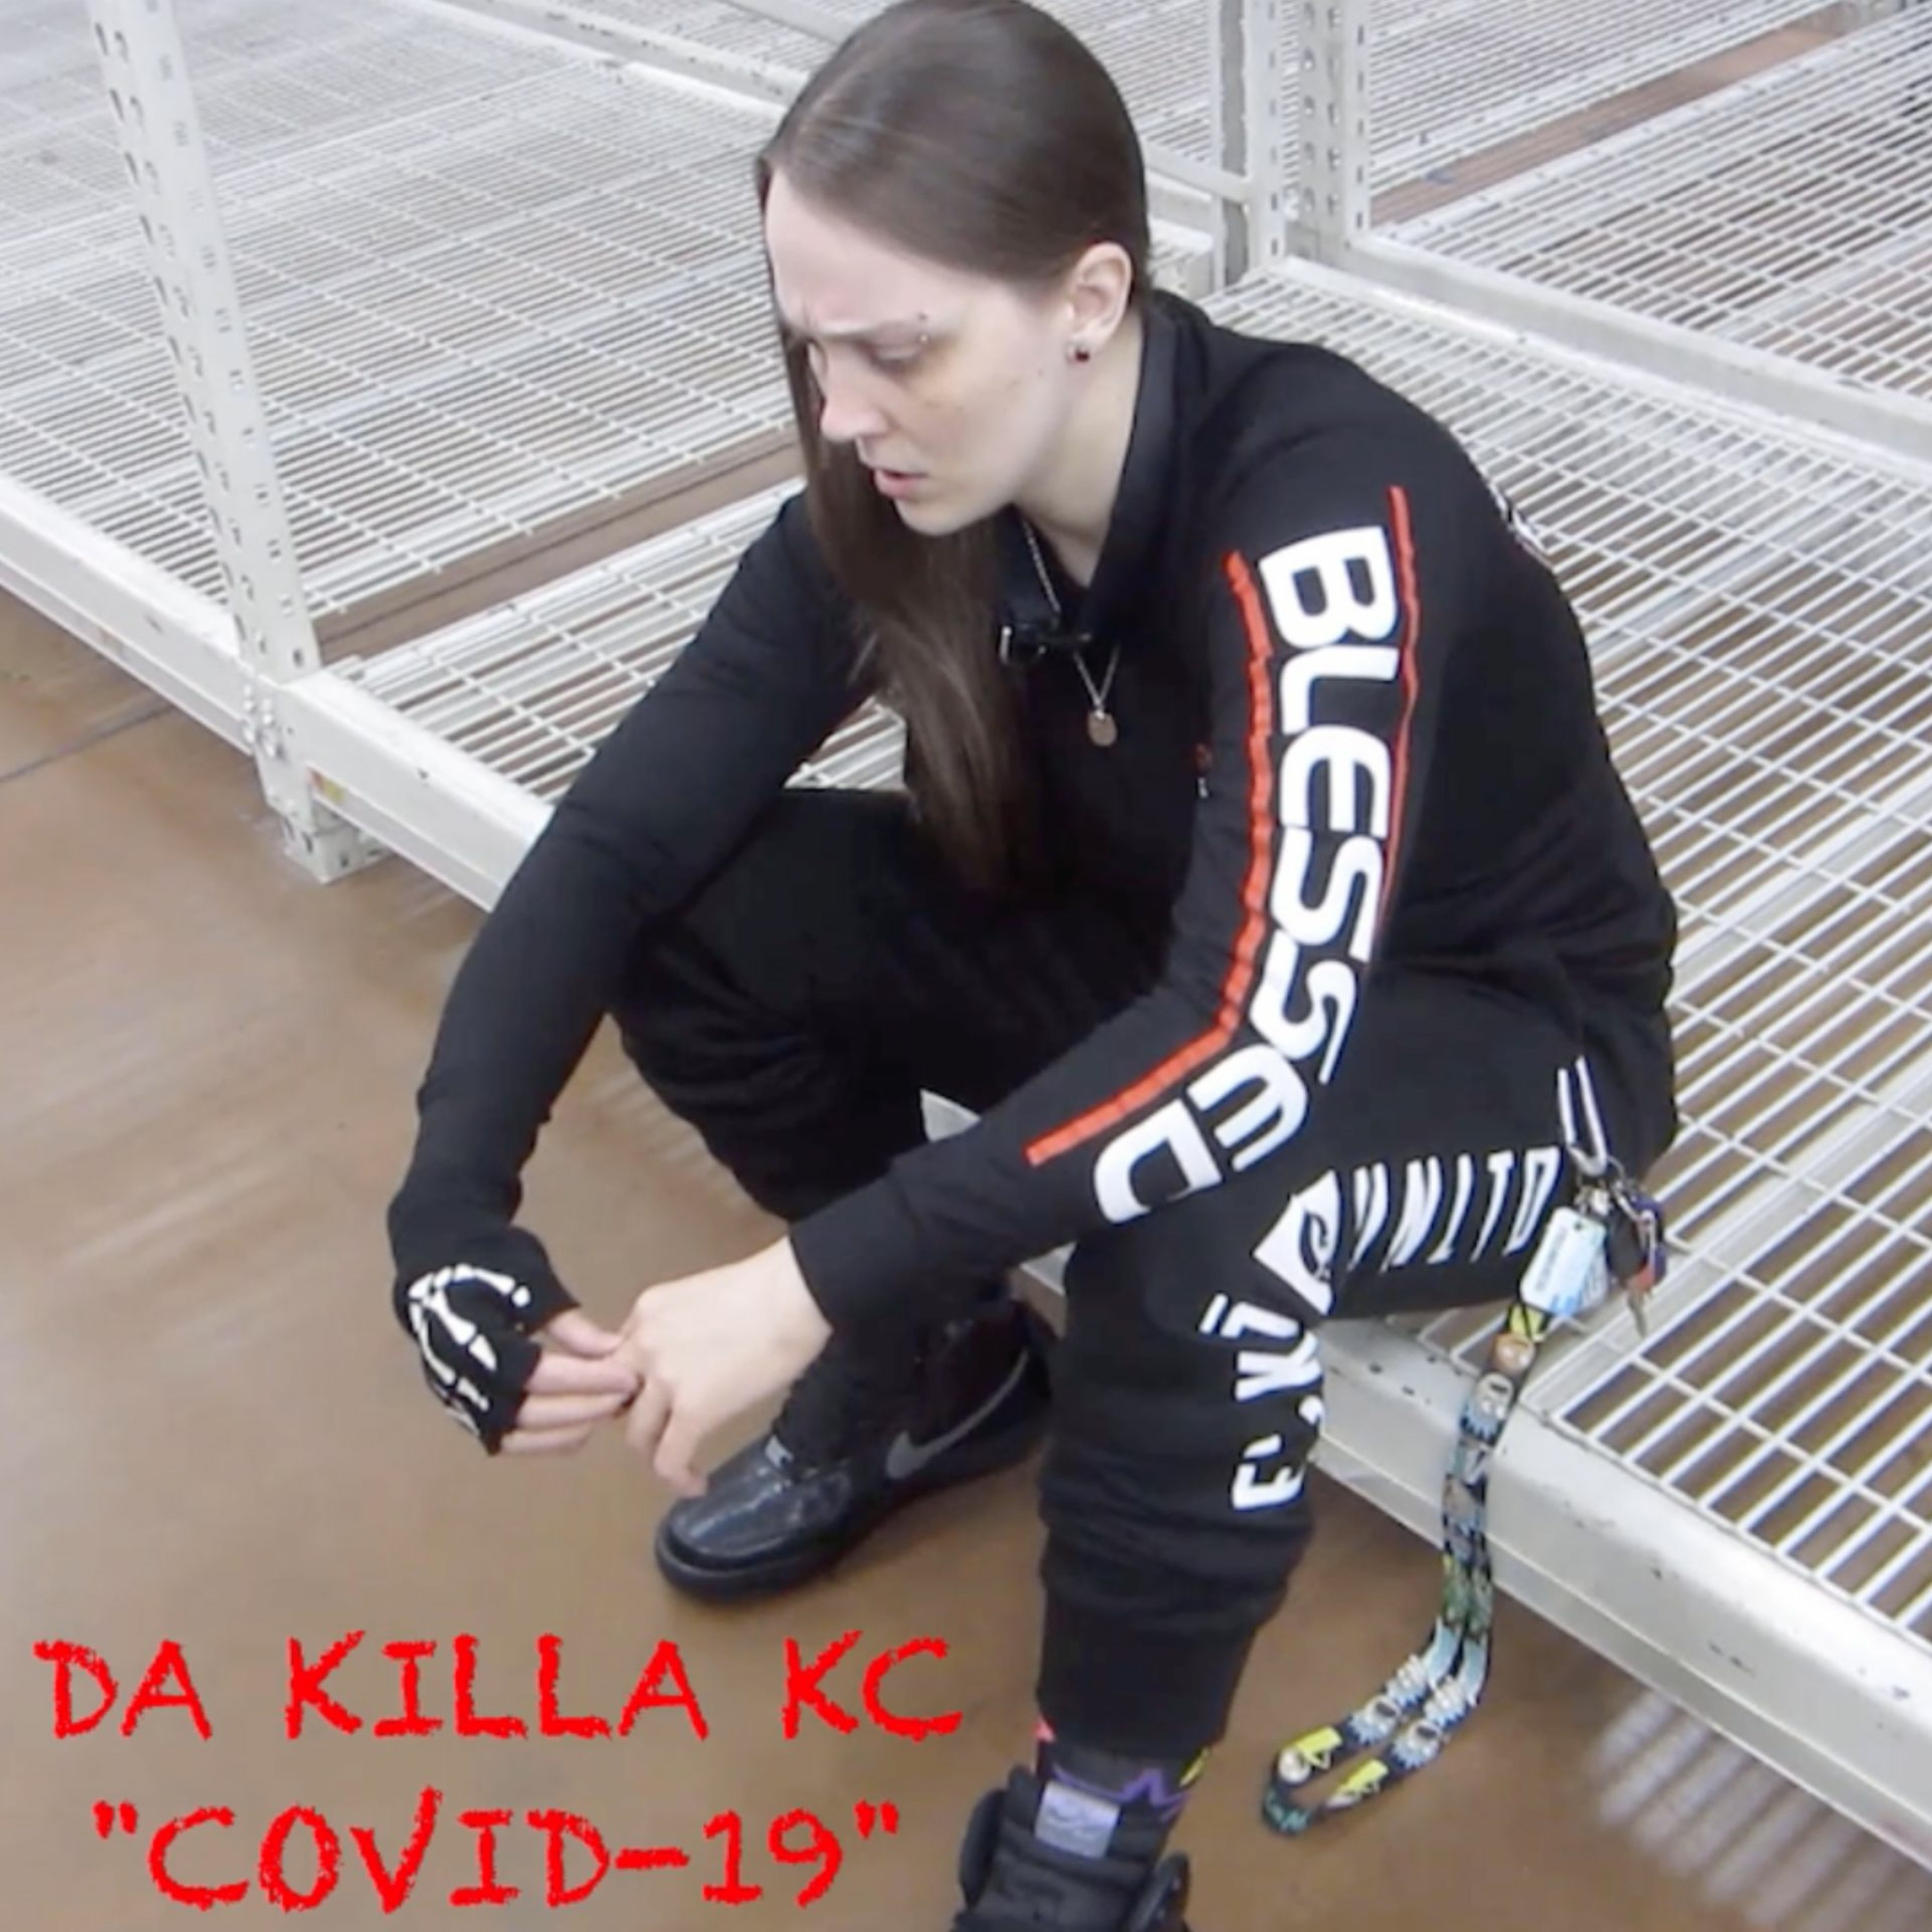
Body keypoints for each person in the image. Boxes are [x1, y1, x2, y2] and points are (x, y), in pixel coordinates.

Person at [386, 1, 1679, 1924]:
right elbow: (619, 841)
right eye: (808, 346)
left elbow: (1246, 1050)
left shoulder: (1321, 509)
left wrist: (804, 1283)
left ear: (1090, 297)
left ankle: (1090, 1833)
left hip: (1511, 1051)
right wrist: (445, 1206)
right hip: (1176, 959)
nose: (842, 412)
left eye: (897, 348)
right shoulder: (909, 496)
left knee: (1206, 1184)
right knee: (713, 905)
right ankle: (948, 1363)